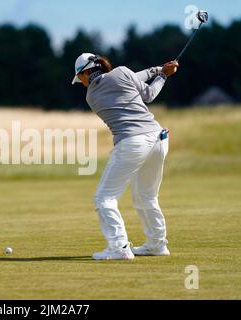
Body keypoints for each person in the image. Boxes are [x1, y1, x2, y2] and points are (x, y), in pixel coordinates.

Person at [72, 53, 179, 260]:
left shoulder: (91, 96)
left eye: (81, 78)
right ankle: (157, 244)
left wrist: (159, 70)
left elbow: (131, 78)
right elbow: (148, 94)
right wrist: (163, 75)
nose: (82, 83)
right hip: (158, 138)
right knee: (146, 196)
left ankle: (119, 248)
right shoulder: (122, 72)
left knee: (104, 198)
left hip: (132, 142)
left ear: (86, 72)